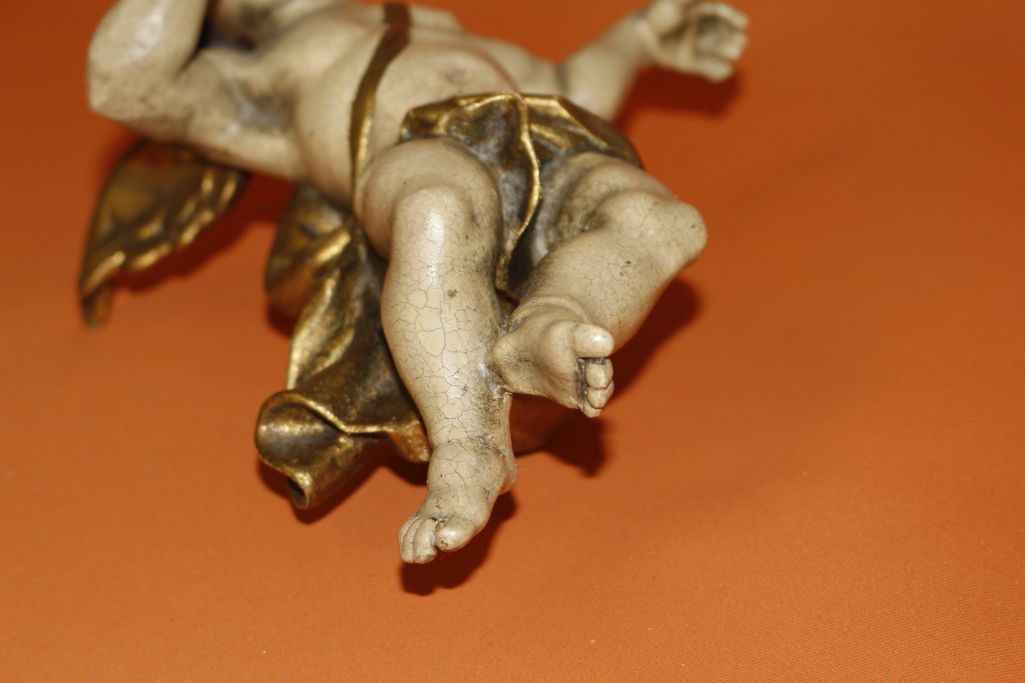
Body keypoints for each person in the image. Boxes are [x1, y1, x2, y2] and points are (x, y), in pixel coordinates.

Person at [87, 0, 748, 563]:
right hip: (413, 153)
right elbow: (125, 84)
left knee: (661, 220)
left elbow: (567, 82)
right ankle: (468, 446)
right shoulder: (253, 81)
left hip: (548, 138)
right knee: (437, 206)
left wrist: (638, 37)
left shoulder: (435, 20)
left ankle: (551, 319)